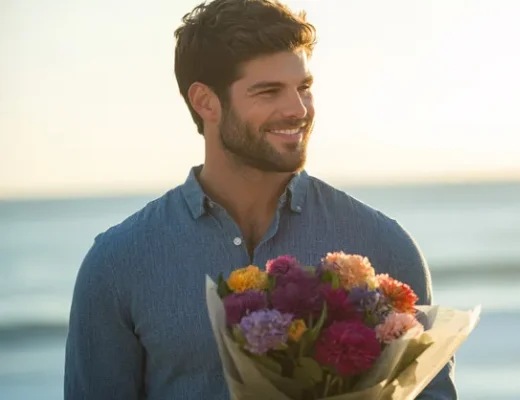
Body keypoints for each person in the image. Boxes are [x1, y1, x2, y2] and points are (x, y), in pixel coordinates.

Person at [63, 0, 457, 399]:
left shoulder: (381, 246)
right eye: (269, 92)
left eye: (303, 87)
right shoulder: (118, 263)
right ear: (205, 102)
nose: (298, 109)